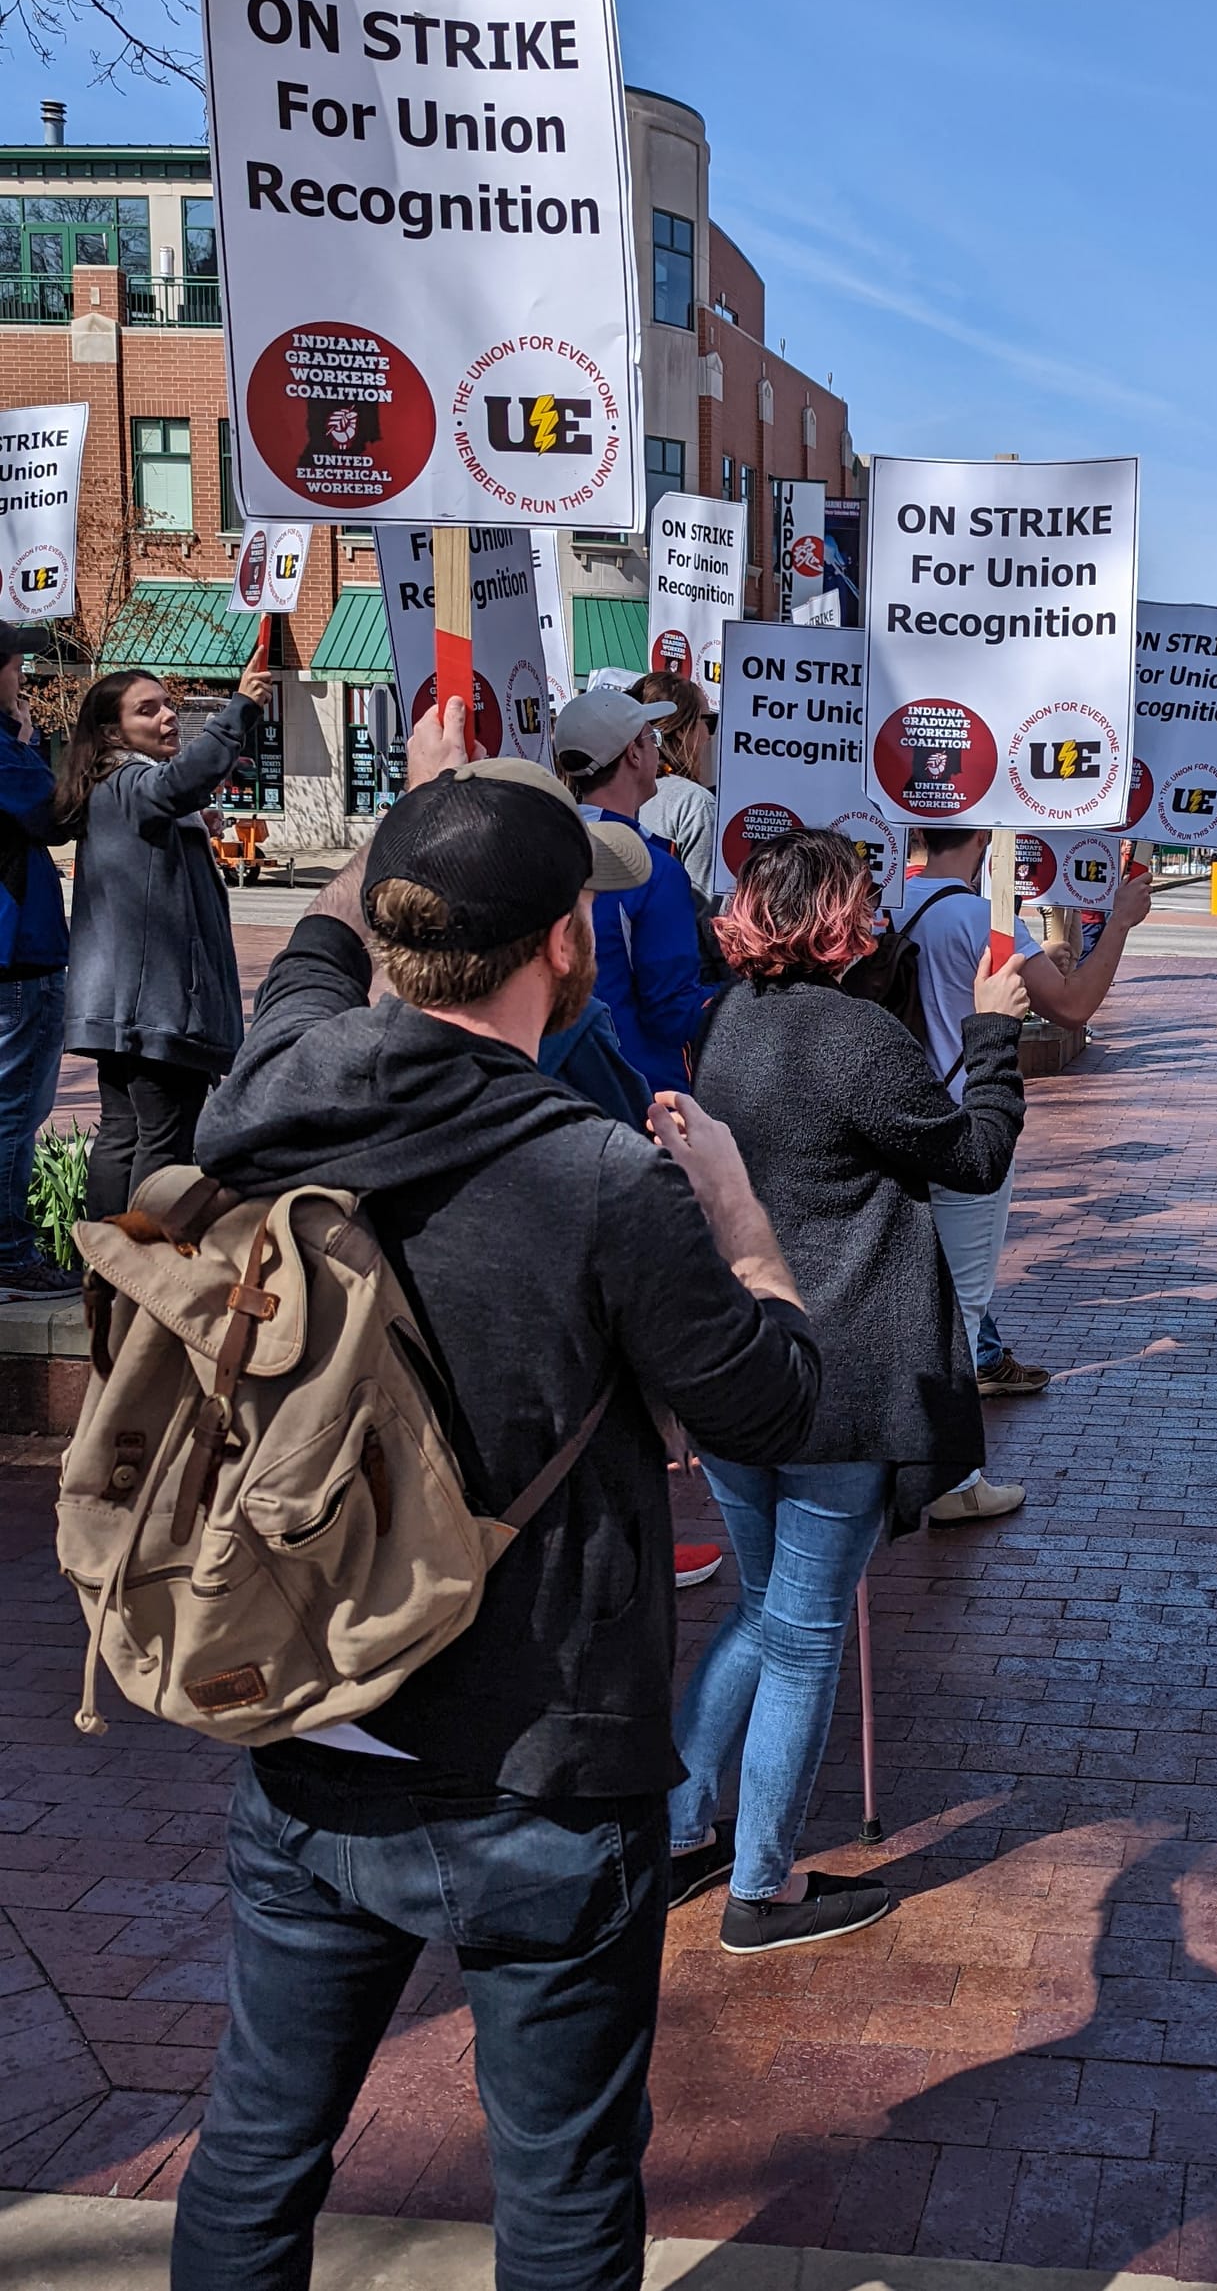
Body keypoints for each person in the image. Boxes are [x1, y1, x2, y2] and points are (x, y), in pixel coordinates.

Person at [170, 709, 823, 2291]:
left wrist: (398, 837)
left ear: (394, 922)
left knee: (259, 2148)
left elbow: (316, 955)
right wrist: (740, 1216)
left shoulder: (273, 1089)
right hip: (542, 1761)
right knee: (563, 2183)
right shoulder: (605, 1178)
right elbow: (771, 1399)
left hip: (317, 1720)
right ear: (562, 946)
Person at [673, 829, 1029, 1949]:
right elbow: (972, 1154)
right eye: (864, 900)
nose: (878, 913)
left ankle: (681, 1818)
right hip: (840, 1375)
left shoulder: (729, 1023)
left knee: (763, 1609)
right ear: (837, 917)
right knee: (804, 1633)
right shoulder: (856, 1038)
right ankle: (760, 1886)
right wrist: (994, 1032)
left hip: (744, 1362)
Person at [901, 828, 1151, 1479]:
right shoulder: (982, 918)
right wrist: (1120, 922)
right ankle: (952, 1479)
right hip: (966, 1122)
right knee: (962, 1305)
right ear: (984, 836)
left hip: (890, 1124)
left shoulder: (882, 901)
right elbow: (1072, 1007)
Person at [55, 656, 271, 1223]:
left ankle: (104, 1270)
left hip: (125, 1008)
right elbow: (178, 784)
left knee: (124, 1134)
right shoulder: (130, 781)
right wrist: (240, 708)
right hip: (158, 1009)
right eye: (147, 710)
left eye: (168, 704)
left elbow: (173, 800)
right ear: (110, 731)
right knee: (164, 1145)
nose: (168, 717)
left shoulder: (112, 785)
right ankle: (143, 1276)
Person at [553, 683, 713, 1090]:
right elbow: (672, 1013)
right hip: (639, 1091)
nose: (658, 750)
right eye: (652, 738)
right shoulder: (652, 870)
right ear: (634, 754)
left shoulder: (540, 848)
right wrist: (741, 996)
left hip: (553, 1078)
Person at [0, 624, 73, 1295]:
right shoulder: (2, 754)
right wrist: (27, 745)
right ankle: (9, 1251)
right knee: (15, 1108)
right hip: (16, 957)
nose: (23, 678)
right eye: (16, 665)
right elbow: (54, 814)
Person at [631, 670, 718, 900]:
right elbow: (707, 917)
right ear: (681, 730)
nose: (710, 735)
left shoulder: (612, 787)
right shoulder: (694, 804)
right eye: (709, 721)